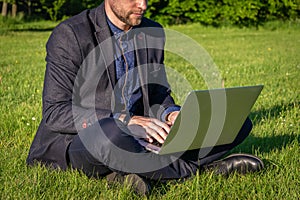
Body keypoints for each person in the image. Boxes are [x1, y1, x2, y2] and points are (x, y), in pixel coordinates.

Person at [27, 0, 264, 195]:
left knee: (237, 122)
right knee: (110, 135)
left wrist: (170, 113)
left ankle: (130, 172)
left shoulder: (153, 32)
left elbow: (157, 94)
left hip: (142, 136)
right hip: (88, 139)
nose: (143, 4)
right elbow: (54, 112)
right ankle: (201, 170)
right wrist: (124, 120)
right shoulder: (71, 34)